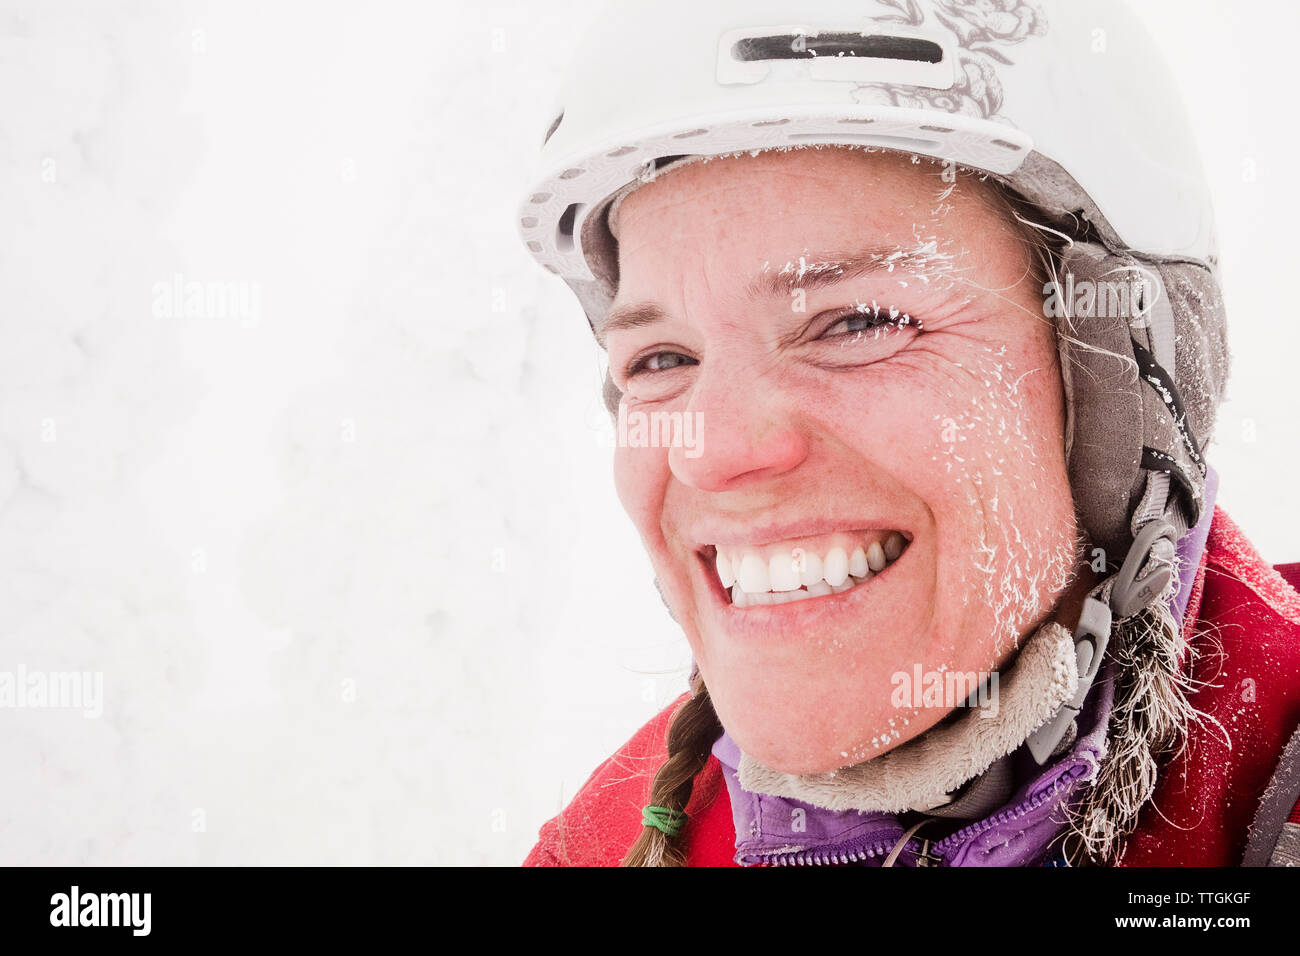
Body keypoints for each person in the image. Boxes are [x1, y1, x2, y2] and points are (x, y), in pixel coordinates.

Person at [514, 0, 1300, 866]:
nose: (715, 453)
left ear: (1123, 397)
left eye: (856, 324)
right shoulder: (598, 846)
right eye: (661, 359)